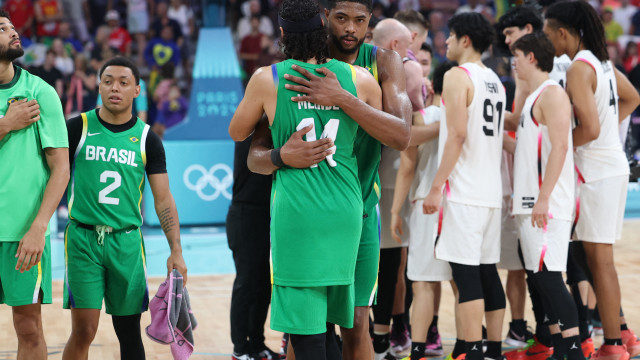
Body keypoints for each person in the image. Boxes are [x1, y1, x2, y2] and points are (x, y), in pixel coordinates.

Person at [248, 0, 413, 358]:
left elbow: (402, 136)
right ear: (325, 19)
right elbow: (254, 156)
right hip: (305, 215)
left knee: (355, 324)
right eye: (341, 19)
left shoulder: (382, 62)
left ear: (370, 20)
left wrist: (341, 97)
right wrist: (280, 157)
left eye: (360, 20)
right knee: (304, 329)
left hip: (360, 210)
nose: (350, 29)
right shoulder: (287, 73)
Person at [61, 56, 188, 360]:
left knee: (129, 333)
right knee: (83, 331)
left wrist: (176, 250)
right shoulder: (76, 127)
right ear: (99, 86)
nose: (114, 88)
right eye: (108, 81)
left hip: (127, 242)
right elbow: (52, 178)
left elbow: (163, 198)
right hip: (83, 239)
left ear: (137, 90)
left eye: (123, 82)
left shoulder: (148, 139)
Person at [544, 2, 640, 360]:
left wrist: (560, 146)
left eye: (549, 32)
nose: (547, 38)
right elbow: (632, 98)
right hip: (610, 165)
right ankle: (620, 339)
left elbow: (591, 128)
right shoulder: (603, 62)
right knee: (599, 259)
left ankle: (614, 345)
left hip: (596, 171)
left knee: (600, 262)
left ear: (563, 33)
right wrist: (605, 136)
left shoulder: (579, 68)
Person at [422, 12, 506, 360]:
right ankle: (495, 350)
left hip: (464, 192)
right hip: (490, 192)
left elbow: (456, 134)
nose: (446, 42)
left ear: (466, 40)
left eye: (452, 36)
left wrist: (436, 186)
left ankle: (471, 351)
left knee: (467, 277)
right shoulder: (496, 81)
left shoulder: (458, 76)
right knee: (487, 273)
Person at [0, 10, 69, 360]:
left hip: (23, 231)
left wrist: (40, 226)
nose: (13, 32)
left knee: (28, 326)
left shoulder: (40, 91)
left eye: (12, 26)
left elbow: (61, 169)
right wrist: (5, 124)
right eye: (1, 28)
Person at [510, 31, 582, 360]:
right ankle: (558, 348)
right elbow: (525, 149)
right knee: (540, 279)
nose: (513, 63)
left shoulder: (552, 93)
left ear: (532, 58)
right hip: (530, 202)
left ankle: (573, 351)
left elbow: (562, 147)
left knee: (550, 277)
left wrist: (543, 198)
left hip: (546, 204)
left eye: (517, 56)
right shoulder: (534, 96)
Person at [390, 61, 460, 360]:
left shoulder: (422, 117)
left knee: (423, 284)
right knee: (462, 284)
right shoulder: (463, 118)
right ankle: (468, 347)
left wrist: (394, 211)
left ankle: (418, 351)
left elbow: (406, 168)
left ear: (432, 86)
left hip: (426, 206)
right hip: (460, 204)